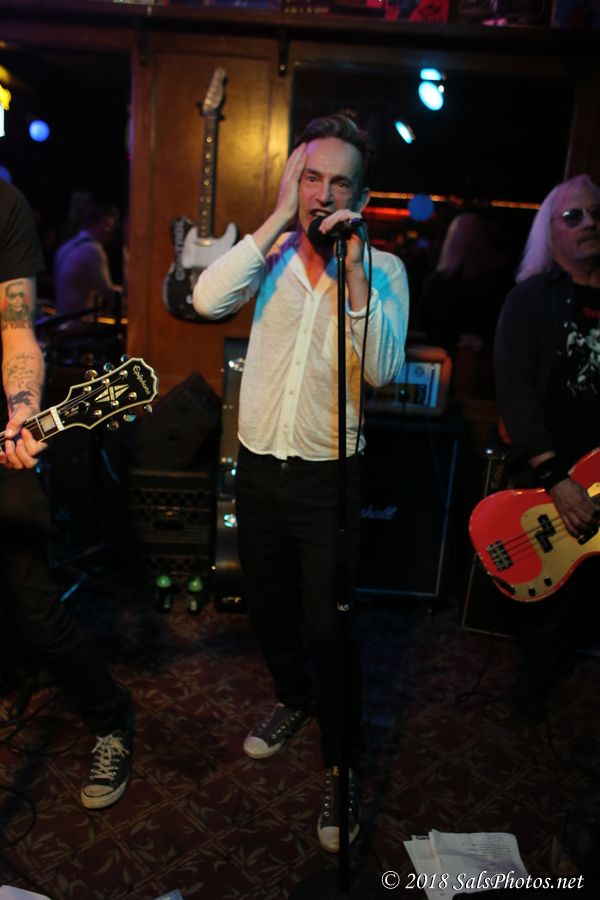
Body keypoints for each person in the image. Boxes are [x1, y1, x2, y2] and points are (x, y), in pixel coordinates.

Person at [193, 112, 408, 851]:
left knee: (330, 625)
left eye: (338, 182)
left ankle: (341, 767)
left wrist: (354, 276)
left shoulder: (383, 270)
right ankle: (292, 698)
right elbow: (206, 301)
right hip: (258, 467)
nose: (322, 193)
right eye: (311, 177)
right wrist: (279, 215)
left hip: (328, 480)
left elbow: (382, 371)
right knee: (266, 605)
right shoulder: (273, 253)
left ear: (362, 196)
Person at [0, 177, 131, 809]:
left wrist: (24, 409)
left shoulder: (4, 205)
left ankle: (110, 720)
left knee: (37, 611)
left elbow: (16, 331)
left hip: (2, 441)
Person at [494, 173, 600, 724]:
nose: (589, 223)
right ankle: (526, 710)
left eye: (596, 213)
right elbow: (514, 394)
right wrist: (556, 478)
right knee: (551, 607)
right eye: (573, 216)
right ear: (550, 232)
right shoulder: (530, 300)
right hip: (550, 477)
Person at [418, 211, 514, 397]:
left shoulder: (438, 282)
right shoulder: (492, 283)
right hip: (460, 371)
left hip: (448, 369)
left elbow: (423, 326)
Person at [53, 204, 122, 329]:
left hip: (62, 321)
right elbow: (106, 291)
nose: (110, 230)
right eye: (107, 225)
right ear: (94, 224)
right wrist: (130, 294)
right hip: (79, 325)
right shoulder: (92, 250)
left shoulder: (66, 246)